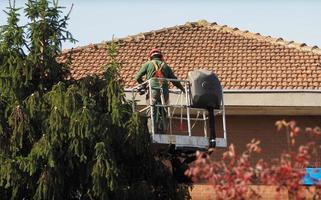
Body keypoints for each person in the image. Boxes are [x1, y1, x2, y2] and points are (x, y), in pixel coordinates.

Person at [135, 48, 185, 133]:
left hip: (153, 90)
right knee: (164, 111)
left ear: (151, 57)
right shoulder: (165, 66)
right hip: (165, 91)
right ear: (161, 57)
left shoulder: (148, 64)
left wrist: (144, 84)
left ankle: (152, 131)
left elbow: (137, 77)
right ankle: (164, 130)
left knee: (151, 110)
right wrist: (182, 89)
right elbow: (174, 80)